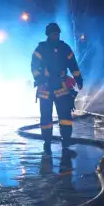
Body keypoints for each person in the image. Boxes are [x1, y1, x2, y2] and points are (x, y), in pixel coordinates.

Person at [31, 23, 83, 152]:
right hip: (45, 88)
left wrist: (78, 79)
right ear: (48, 34)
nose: (56, 36)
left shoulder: (64, 48)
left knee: (65, 116)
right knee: (46, 117)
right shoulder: (41, 48)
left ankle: (66, 140)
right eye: (54, 34)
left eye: (58, 34)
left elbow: (73, 65)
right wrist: (39, 79)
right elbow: (33, 66)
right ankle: (47, 142)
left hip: (62, 87)